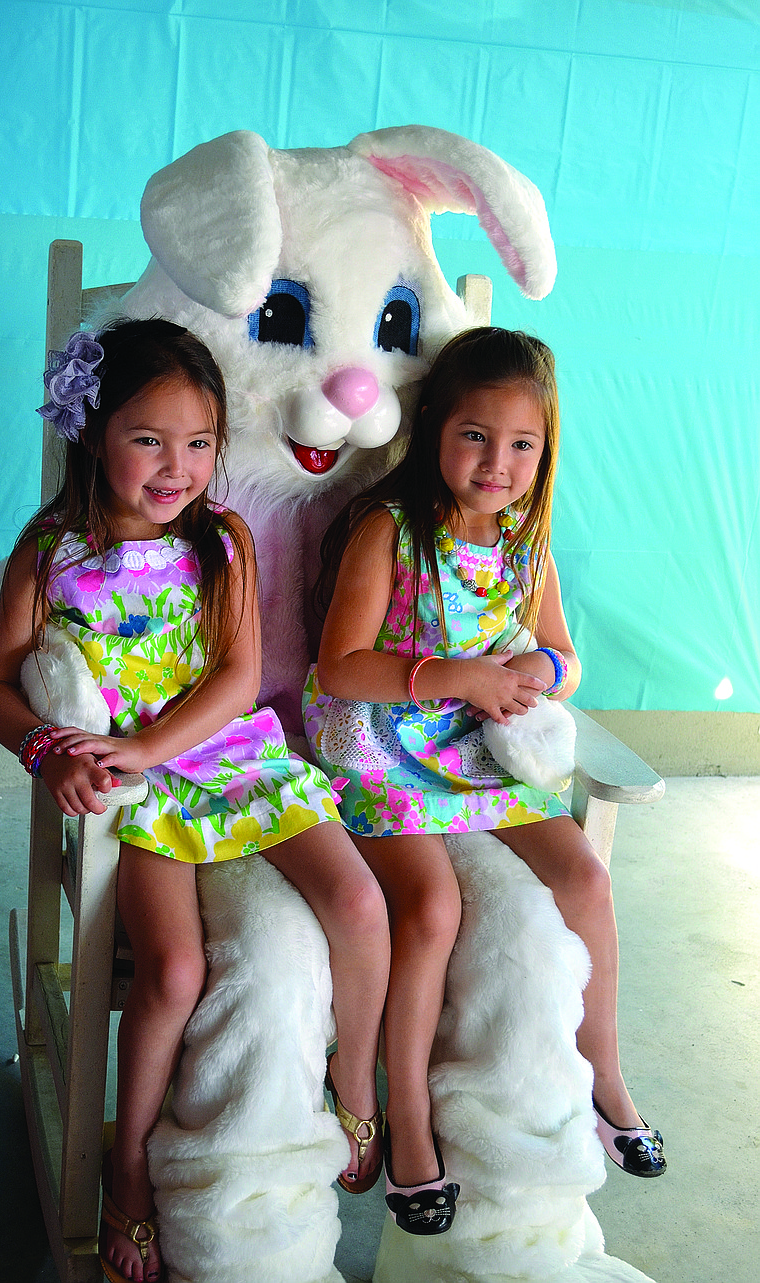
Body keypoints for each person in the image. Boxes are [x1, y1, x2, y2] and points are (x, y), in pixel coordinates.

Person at [0, 319, 389, 1283]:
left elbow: (240, 679)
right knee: (169, 974)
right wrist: (46, 748)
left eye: (200, 442)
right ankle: (128, 1167)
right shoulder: (52, 554)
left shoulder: (224, 543)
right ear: (94, 433)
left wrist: (149, 741)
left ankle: (352, 1089)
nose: (178, 466)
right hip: (144, 796)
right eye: (148, 439)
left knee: (360, 905)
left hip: (238, 761)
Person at [303, 326, 666, 1234]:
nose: (497, 462)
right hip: (382, 740)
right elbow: (342, 664)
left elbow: (565, 655)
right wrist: (457, 674)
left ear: (544, 451)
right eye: (475, 435)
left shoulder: (522, 542)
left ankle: (605, 1074)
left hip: (476, 746)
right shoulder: (389, 531)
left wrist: (542, 672)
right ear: (434, 427)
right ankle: (411, 1117)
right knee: (430, 907)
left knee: (585, 873)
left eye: (522, 444)